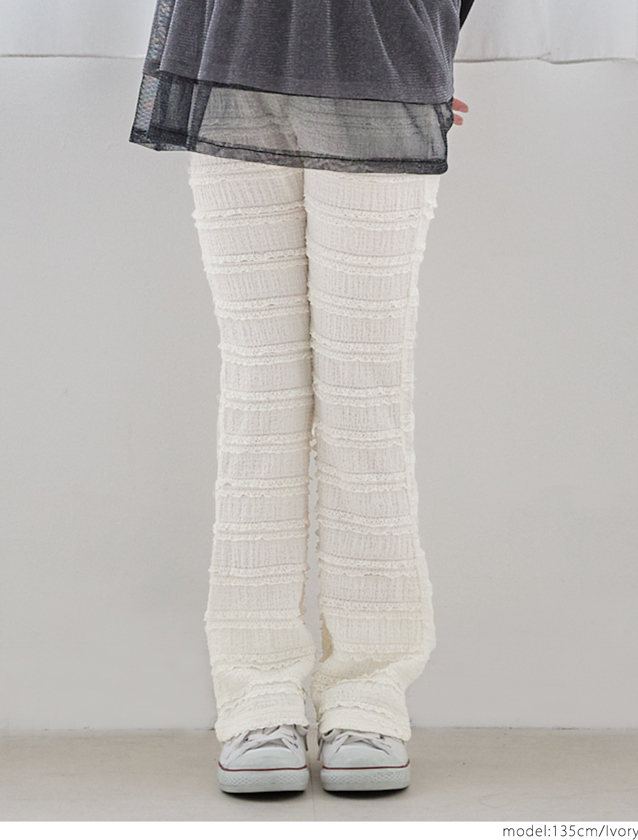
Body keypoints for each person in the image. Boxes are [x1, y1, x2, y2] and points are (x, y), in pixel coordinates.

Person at [129, 0, 473, 794]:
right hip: (231, 57)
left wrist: (434, 47)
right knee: (260, 398)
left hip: (385, 59)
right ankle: (257, 693)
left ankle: (369, 692)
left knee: (368, 399)